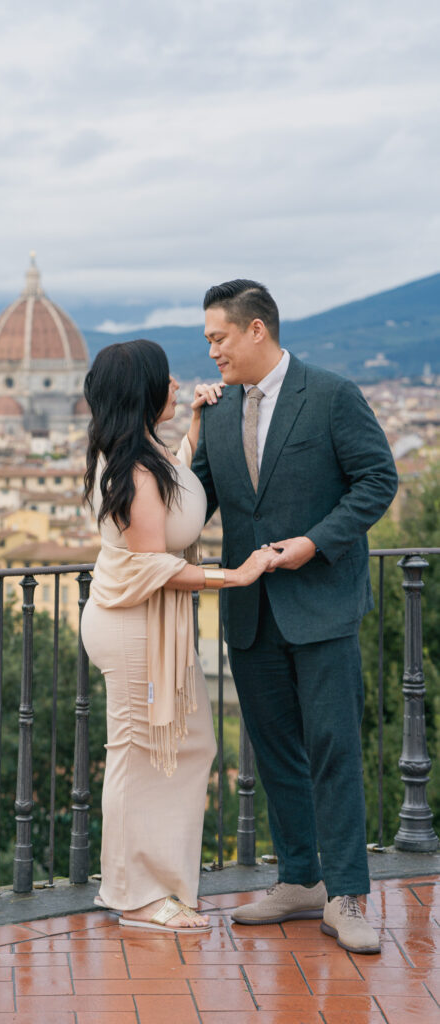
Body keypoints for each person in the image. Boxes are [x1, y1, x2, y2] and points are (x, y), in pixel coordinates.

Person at [191, 280, 398, 954]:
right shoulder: (218, 412)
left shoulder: (332, 394)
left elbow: (376, 480)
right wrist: (190, 427)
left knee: (333, 749)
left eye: (218, 337)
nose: (211, 350)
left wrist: (314, 542)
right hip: (250, 611)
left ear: (256, 330)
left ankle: (346, 896)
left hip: (322, 604)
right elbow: (191, 503)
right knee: (276, 752)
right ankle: (300, 878)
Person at [81, 338, 275, 933]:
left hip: (148, 624)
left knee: (184, 747)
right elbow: (150, 563)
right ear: (142, 391)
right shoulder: (134, 469)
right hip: (136, 625)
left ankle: (156, 884)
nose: (173, 386)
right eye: (164, 381)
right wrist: (233, 575)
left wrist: (192, 425)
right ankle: (135, 896)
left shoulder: (140, 456)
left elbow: (173, 498)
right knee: (139, 755)